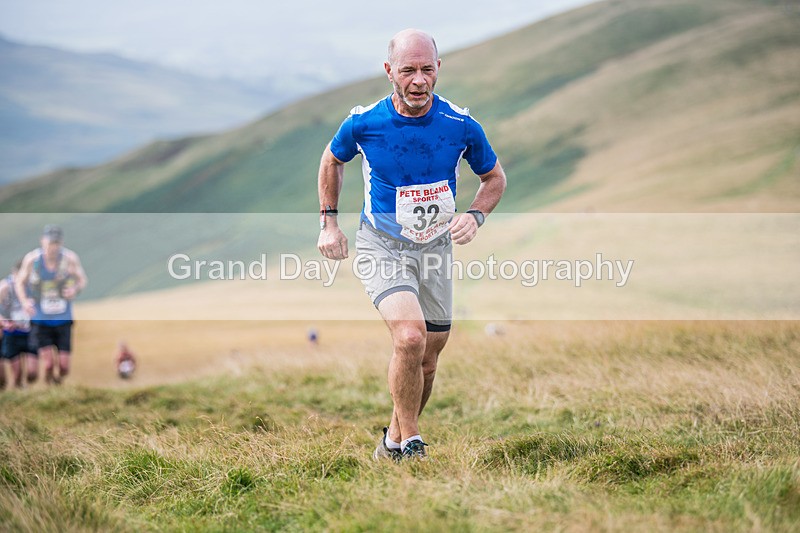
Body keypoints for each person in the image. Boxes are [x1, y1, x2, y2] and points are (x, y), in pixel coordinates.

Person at [317, 29, 507, 460]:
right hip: (381, 244)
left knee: (428, 359)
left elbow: (494, 178)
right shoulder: (365, 123)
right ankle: (414, 441)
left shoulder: (460, 125)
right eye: (407, 70)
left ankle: (393, 441)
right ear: (389, 72)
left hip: (435, 249)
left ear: (438, 69)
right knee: (409, 337)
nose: (418, 80)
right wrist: (330, 223)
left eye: (426, 69)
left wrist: (475, 215)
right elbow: (332, 159)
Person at [16, 225, 88, 385]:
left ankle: (57, 382)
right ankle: (49, 387)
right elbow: (19, 282)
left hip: (63, 318)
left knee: (64, 367)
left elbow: (82, 279)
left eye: (56, 243)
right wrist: (25, 301)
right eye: (50, 243)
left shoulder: (70, 258)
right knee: (48, 363)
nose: (53, 247)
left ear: (61, 243)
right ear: (42, 241)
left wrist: (74, 289)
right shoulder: (32, 260)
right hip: (40, 319)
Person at [0, 261, 36, 389]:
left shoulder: (32, 287)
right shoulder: (5, 287)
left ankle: (24, 388)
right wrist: (3, 321)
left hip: (30, 333)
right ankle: (17, 390)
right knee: (17, 372)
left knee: (32, 373)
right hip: (11, 333)